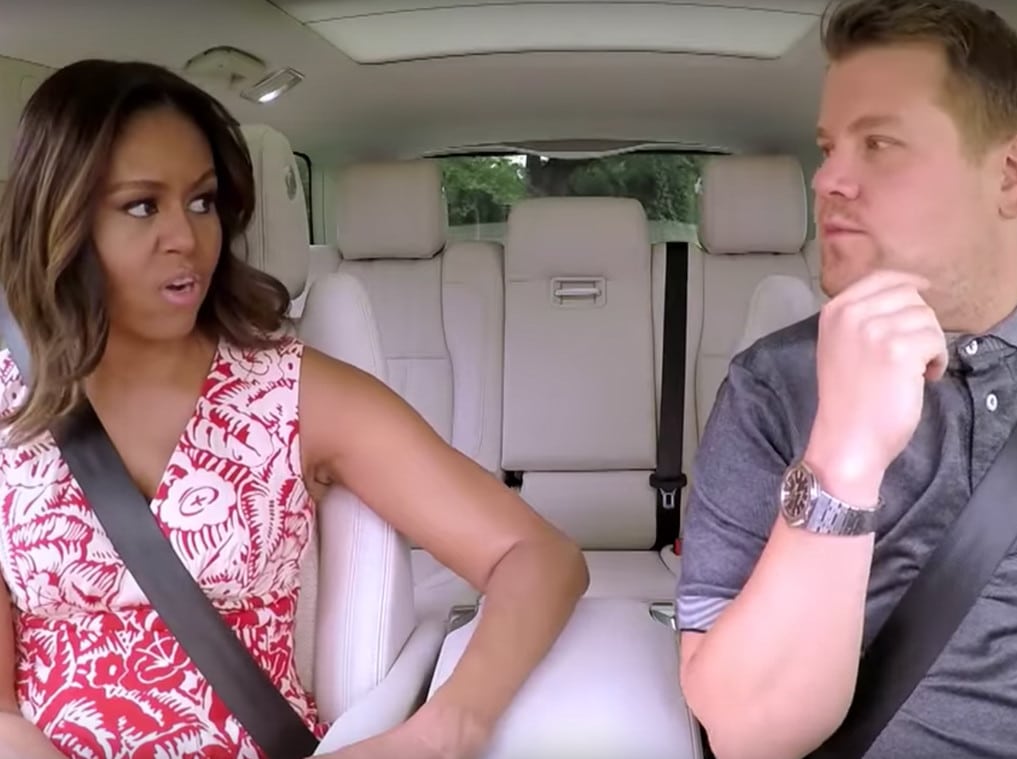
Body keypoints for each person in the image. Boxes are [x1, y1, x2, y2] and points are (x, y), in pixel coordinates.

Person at [0, 59, 588, 759]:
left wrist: (442, 730)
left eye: (202, 201)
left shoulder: (290, 390)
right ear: (59, 218)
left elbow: (538, 555)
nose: (186, 237)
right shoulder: (10, 400)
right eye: (141, 206)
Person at [675, 0, 1017, 757]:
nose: (828, 179)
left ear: (1010, 175)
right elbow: (747, 735)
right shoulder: (772, 387)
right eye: (830, 148)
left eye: (880, 144)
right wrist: (844, 457)